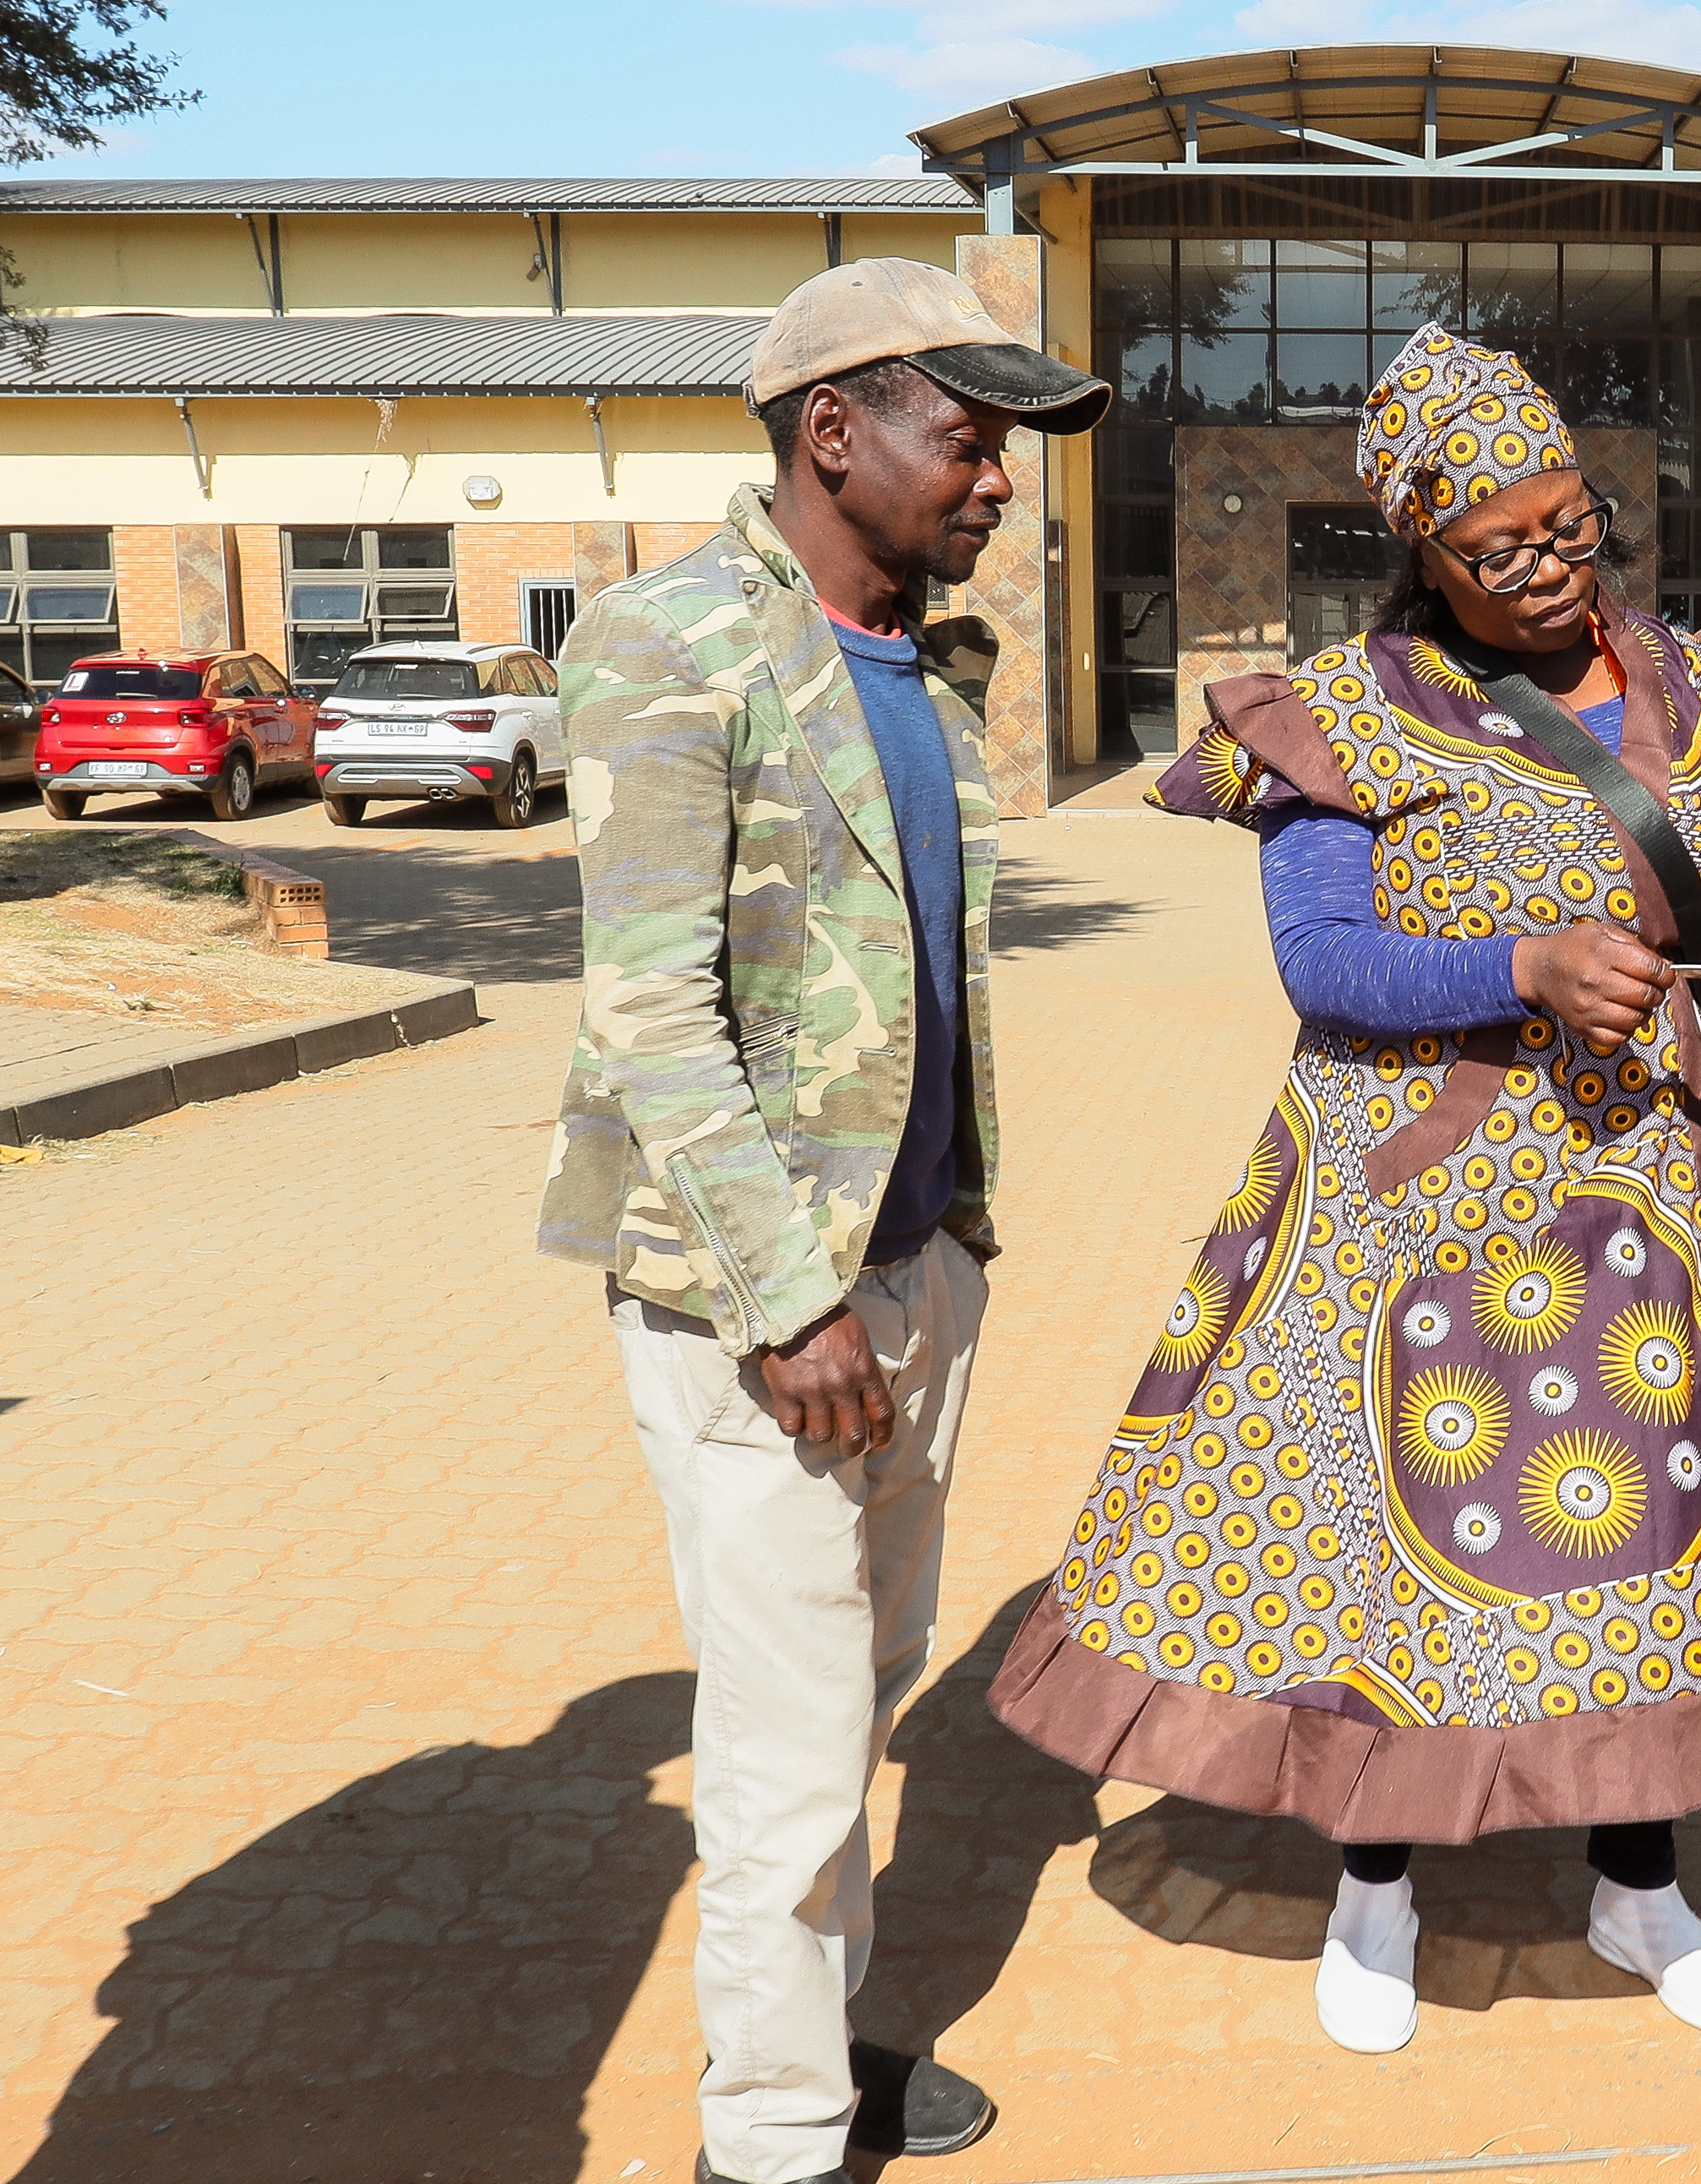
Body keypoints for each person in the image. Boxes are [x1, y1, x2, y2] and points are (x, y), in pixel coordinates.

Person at [987, 323, 1701, 2056]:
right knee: (1410, 1557)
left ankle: (1639, 1885)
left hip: (1648, 1200)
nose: (1548, 571)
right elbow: (1324, 965)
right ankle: (1377, 1897)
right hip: (1417, 1207)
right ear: (1421, 548)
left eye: (1570, 526)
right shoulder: (1345, 718)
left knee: (1655, 1537)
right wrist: (1521, 963)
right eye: (1498, 549)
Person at [538, 258, 1107, 2184]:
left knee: (856, 1702)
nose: (999, 483)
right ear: (833, 432)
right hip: (764, 1314)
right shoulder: (664, 640)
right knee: (783, 1765)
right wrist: (793, 1306)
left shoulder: (921, 675)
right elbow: (647, 1013)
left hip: (915, 1273)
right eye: (970, 440)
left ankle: (820, 2038)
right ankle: (769, 2144)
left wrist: (938, 1253)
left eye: (1006, 449)